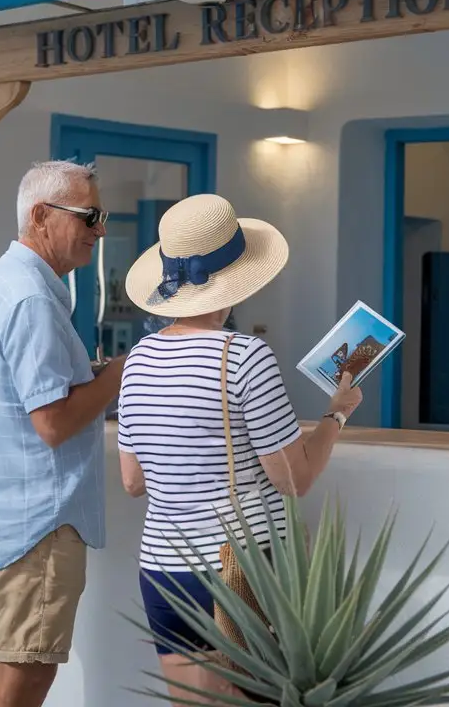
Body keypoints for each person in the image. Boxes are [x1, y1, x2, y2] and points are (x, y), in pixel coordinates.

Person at [115, 194, 363, 705]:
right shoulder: (245, 357)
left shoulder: (138, 359)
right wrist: (336, 413)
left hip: (162, 569)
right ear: (236, 284)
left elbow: (133, 482)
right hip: (239, 568)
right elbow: (294, 480)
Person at [0, 160, 126, 707]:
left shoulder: (0, 282)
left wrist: (93, 379)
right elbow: (52, 422)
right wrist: (122, 373)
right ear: (40, 216)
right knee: (25, 680)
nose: (100, 231)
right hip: (43, 525)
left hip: (16, 521)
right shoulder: (31, 301)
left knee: (13, 672)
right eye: (90, 217)